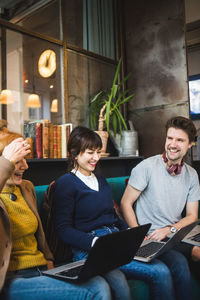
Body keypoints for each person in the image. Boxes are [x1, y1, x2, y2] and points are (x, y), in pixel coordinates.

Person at [53, 125, 192, 300]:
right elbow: (63, 229)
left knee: (162, 269)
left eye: (98, 152)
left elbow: (113, 216)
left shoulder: (100, 180)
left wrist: (130, 232)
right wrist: (95, 241)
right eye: (90, 152)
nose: (96, 158)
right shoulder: (66, 183)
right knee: (158, 272)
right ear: (74, 153)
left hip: (116, 240)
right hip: (89, 248)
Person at [0, 125, 120, 300]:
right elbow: (64, 228)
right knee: (96, 289)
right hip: (12, 277)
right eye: (18, 161)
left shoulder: (26, 188)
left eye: (25, 159)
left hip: (41, 268)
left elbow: (40, 235)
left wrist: (50, 261)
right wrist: (6, 161)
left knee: (100, 282)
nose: (25, 166)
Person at [120, 116, 200, 263]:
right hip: (153, 236)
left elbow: (192, 216)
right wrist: (139, 235)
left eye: (180, 140)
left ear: (190, 144)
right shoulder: (146, 167)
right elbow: (126, 203)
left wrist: (170, 229)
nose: (173, 144)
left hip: (175, 233)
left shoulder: (192, 174)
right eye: (170, 138)